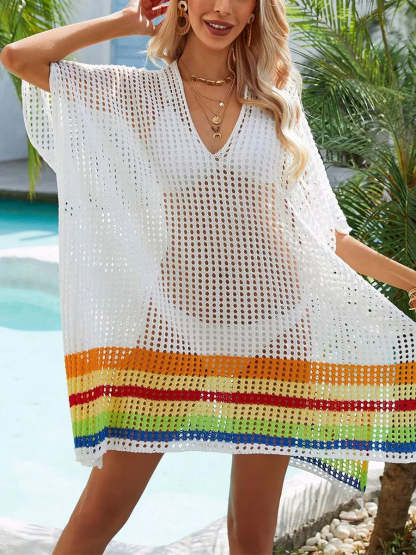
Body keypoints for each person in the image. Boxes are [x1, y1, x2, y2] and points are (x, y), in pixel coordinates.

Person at [2, 0, 416, 553]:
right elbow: (20, 57)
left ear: (255, 11)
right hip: (174, 325)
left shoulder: (276, 99)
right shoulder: (141, 94)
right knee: (100, 514)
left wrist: (411, 280)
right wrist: (127, 22)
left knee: (251, 535)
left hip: (277, 330)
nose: (221, 8)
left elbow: (327, 234)